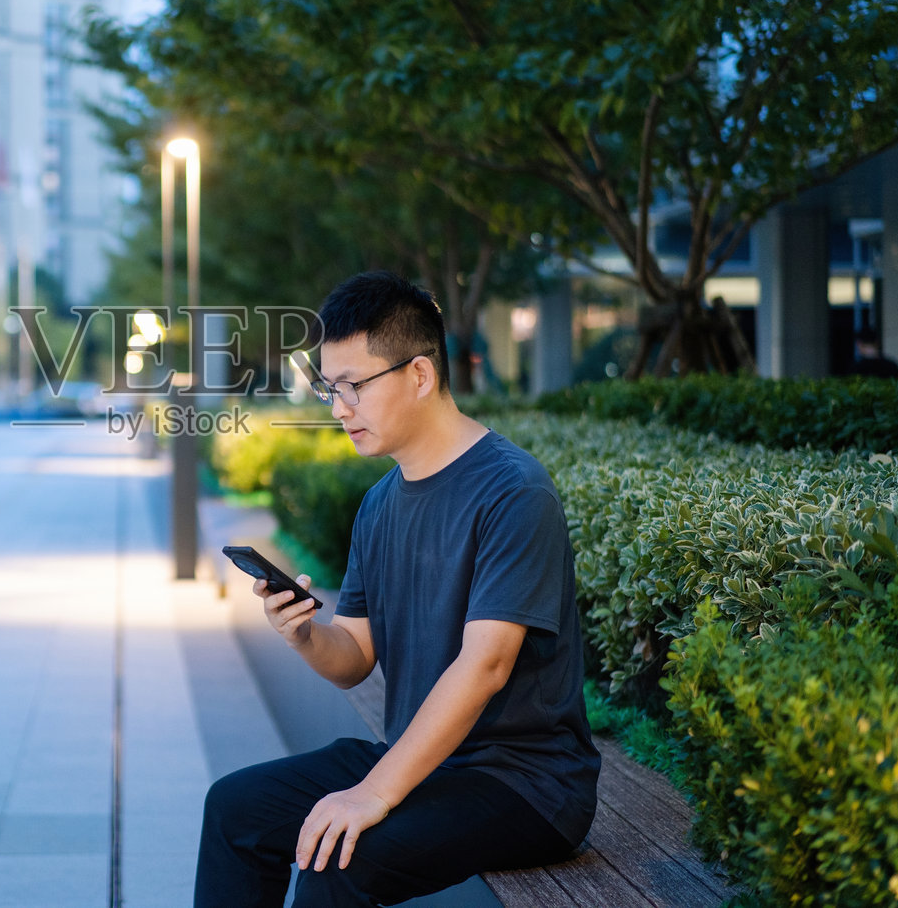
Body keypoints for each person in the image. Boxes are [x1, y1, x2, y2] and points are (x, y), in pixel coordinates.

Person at [196, 271, 599, 908]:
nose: (337, 408)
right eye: (330, 388)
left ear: (420, 374)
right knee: (235, 811)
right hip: (422, 760)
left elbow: (486, 665)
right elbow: (354, 658)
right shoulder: (381, 503)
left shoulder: (512, 490)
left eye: (354, 386)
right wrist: (303, 634)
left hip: (523, 781)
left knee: (336, 861)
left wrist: (375, 791)